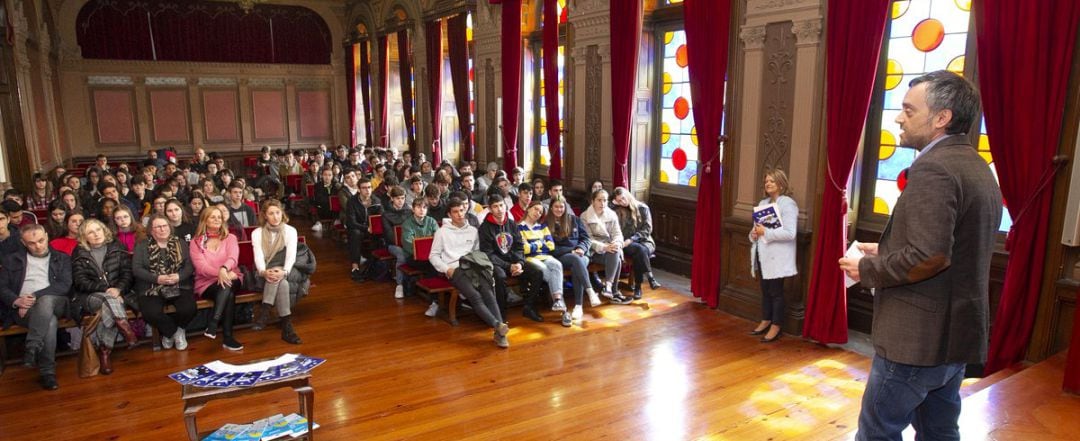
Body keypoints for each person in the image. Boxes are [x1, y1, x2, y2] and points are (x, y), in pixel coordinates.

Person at [838, 70, 1003, 441]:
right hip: (955, 336)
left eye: (909, 111)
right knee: (939, 432)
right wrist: (889, 248)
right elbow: (955, 246)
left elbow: (931, 256)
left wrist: (868, 268)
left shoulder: (934, 168)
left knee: (877, 432)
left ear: (941, 118)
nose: (898, 118)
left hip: (917, 341)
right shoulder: (976, 166)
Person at [429, 198, 510, 348]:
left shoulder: (473, 230)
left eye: (461, 210)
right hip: (455, 268)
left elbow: (477, 252)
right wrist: (447, 269)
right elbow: (433, 256)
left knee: (488, 293)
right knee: (475, 296)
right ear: (449, 214)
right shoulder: (441, 232)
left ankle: (500, 331)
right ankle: (498, 326)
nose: (459, 214)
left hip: (474, 266)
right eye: (455, 212)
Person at [0, 224, 72, 390]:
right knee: (50, 322)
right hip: (22, 308)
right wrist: (16, 300)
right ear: (23, 243)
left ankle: (32, 345)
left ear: (47, 236)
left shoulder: (61, 258)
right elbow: (2, 287)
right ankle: (48, 373)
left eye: (41, 240)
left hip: (56, 302)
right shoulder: (12, 260)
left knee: (46, 300)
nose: (38, 245)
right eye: (32, 243)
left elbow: (64, 285)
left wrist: (34, 297)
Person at [71, 219, 136, 374]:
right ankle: (124, 327)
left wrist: (119, 289)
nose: (96, 234)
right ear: (84, 237)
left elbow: (127, 274)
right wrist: (108, 290)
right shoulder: (79, 252)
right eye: (91, 232)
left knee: (108, 306)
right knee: (110, 300)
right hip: (90, 297)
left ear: (104, 230)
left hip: (117, 294)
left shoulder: (116, 246)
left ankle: (105, 352)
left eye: (98, 230)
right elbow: (80, 282)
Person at [746, 170, 797, 343]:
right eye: (766, 181)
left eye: (772, 181)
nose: (768, 184)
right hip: (763, 255)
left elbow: (790, 233)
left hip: (778, 256)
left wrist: (765, 231)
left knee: (776, 292)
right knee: (765, 291)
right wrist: (754, 233)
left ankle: (776, 325)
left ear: (781, 184)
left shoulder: (788, 204)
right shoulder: (763, 202)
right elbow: (756, 229)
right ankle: (766, 319)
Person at [133, 214, 196, 351]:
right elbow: (137, 269)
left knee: (189, 308)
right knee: (151, 312)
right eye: (158, 226)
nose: (162, 229)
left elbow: (189, 266)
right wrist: (157, 278)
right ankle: (172, 333)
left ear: (170, 227)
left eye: (165, 226)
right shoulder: (142, 245)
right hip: (151, 286)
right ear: (151, 229)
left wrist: (179, 276)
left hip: (178, 284)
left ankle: (179, 330)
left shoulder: (180, 242)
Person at [478, 194, 542, 322]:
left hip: (513, 261)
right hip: (497, 263)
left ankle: (528, 307)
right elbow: (488, 254)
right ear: (490, 209)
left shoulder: (512, 224)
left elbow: (519, 246)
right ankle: (501, 314)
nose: (499, 209)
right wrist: (508, 266)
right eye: (495, 207)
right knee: (500, 277)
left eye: (501, 205)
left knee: (537, 272)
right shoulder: (485, 228)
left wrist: (519, 262)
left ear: (505, 206)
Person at [190, 207, 244, 351]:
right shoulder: (196, 242)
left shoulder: (230, 238)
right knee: (228, 292)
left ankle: (214, 322)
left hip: (232, 276)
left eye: (219, 217)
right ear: (204, 220)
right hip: (207, 283)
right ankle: (227, 337)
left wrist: (224, 270)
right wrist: (220, 273)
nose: (216, 220)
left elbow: (233, 258)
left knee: (227, 285)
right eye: (212, 217)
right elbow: (201, 267)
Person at [250, 200, 302, 344]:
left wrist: (284, 271)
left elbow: (291, 257)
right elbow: (258, 256)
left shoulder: (290, 231)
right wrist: (263, 271)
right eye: (271, 213)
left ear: (282, 213)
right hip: (263, 272)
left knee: (280, 278)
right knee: (281, 283)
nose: (275, 217)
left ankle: (265, 311)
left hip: (286, 270)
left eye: (278, 213)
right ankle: (287, 328)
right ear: (265, 216)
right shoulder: (257, 233)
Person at [547, 196, 597, 322]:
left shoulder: (574, 219)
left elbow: (586, 239)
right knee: (576, 260)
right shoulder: (546, 224)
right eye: (556, 207)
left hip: (580, 254)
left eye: (561, 207)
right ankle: (590, 291)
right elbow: (551, 248)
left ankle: (578, 306)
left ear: (566, 207)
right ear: (551, 208)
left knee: (577, 264)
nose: (559, 209)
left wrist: (581, 248)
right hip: (562, 256)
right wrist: (572, 251)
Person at [518, 201, 567, 324]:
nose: (537, 213)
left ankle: (557, 301)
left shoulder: (543, 227)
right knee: (544, 270)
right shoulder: (519, 227)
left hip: (544, 256)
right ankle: (561, 304)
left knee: (557, 264)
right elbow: (525, 249)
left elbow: (551, 246)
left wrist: (533, 245)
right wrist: (540, 243)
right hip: (530, 259)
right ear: (528, 209)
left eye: (540, 212)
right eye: (535, 209)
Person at [581, 189, 632, 304]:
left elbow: (618, 234)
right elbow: (588, 239)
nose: (602, 203)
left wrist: (617, 243)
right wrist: (604, 247)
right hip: (594, 251)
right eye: (599, 200)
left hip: (610, 249)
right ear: (592, 201)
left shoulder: (611, 214)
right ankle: (613, 291)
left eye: (605, 200)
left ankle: (608, 287)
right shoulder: (585, 216)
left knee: (616, 251)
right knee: (616, 256)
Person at [611, 187, 661, 300]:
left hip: (645, 241)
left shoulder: (642, 208)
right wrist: (613, 203)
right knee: (639, 250)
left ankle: (639, 287)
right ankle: (648, 279)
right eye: (619, 201)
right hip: (626, 243)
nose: (622, 202)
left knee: (640, 250)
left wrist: (632, 239)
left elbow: (647, 229)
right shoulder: (617, 209)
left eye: (623, 198)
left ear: (628, 195)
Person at [381, 187, 410, 298]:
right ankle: (400, 285)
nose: (400, 201)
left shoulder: (409, 211)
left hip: (408, 243)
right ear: (392, 198)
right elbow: (389, 236)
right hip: (393, 245)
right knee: (401, 255)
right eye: (398, 198)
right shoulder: (386, 215)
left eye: (403, 198)